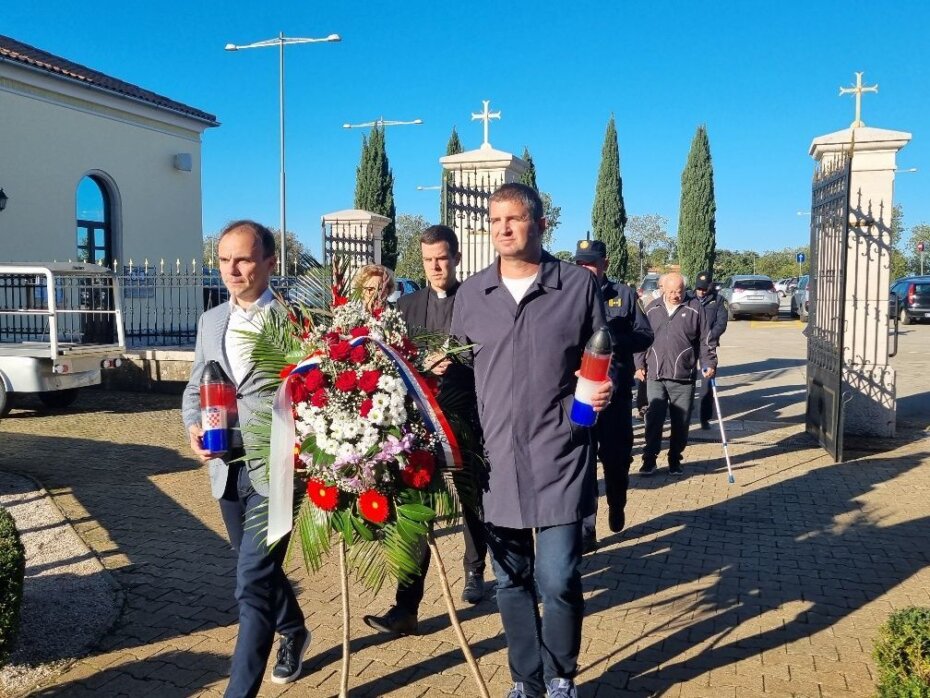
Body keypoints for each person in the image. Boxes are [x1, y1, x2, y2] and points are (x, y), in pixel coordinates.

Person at [451, 183, 612, 698]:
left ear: (541, 224)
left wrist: (595, 397)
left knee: (559, 578)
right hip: (495, 461)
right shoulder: (473, 294)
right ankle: (526, 679)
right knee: (509, 580)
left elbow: (598, 357)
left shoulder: (576, 287)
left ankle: (561, 674)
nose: (503, 229)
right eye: (495, 220)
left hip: (560, 454)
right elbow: (456, 375)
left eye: (514, 219)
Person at [182, 220, 309, 697]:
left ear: (270, 262)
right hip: (224, 466)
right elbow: (196, 387)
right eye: (223, 260)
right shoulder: (210, 321)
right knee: (255, 566)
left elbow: (317, 396)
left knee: (250, 582)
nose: (232, 269)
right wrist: (193, 426)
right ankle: (294, 629)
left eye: (244, 259)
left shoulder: (297, 323)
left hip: (276, 469)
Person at [362, 225, 488, 636]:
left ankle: (474, 569)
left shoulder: (475, 300)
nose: (436, 267)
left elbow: (488, 354)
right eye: (429, 259)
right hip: (418, 425)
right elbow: (394, 362)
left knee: (472, 501)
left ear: (455, 259)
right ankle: (406, 606)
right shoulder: (407, 306)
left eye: (442, 259)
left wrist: (459, 363)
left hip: (466, 420)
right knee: (415, 512)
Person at [573, 239, 653, 550]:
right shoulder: (569, 296)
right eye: (579, 263)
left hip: (616, 396)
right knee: (584, 462)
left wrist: (610, 341)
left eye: (590, 263)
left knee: (617, 461)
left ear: (604, 263)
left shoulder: (623, 295)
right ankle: (586, 529)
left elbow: (646, 335)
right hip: (583, 394)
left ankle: (617, 502)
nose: (584, 269)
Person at [635, 272, 716, 476]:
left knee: (681, 422)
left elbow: (706, 340)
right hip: (655, 373)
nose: (675, 295)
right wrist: (638, 364)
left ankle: (674, 459)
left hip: (683, 376)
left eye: (679, 291)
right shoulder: (652, 308)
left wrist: (708, 363)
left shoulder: (695, 308)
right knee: (653, 419)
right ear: (662, 288)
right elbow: (640, 338)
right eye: (671, 291)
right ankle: (649, 459)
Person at [692, 270, 728, 430]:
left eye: (704, 289)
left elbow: (721, 323)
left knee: (707, 382)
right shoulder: (688, 298)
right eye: (699, 288)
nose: (701, 292)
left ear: (710, 286)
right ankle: (682, 415)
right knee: (685, 380)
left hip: (707, 345)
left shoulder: (719, 301)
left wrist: (710, 336)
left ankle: (704, 418)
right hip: (688, 344)